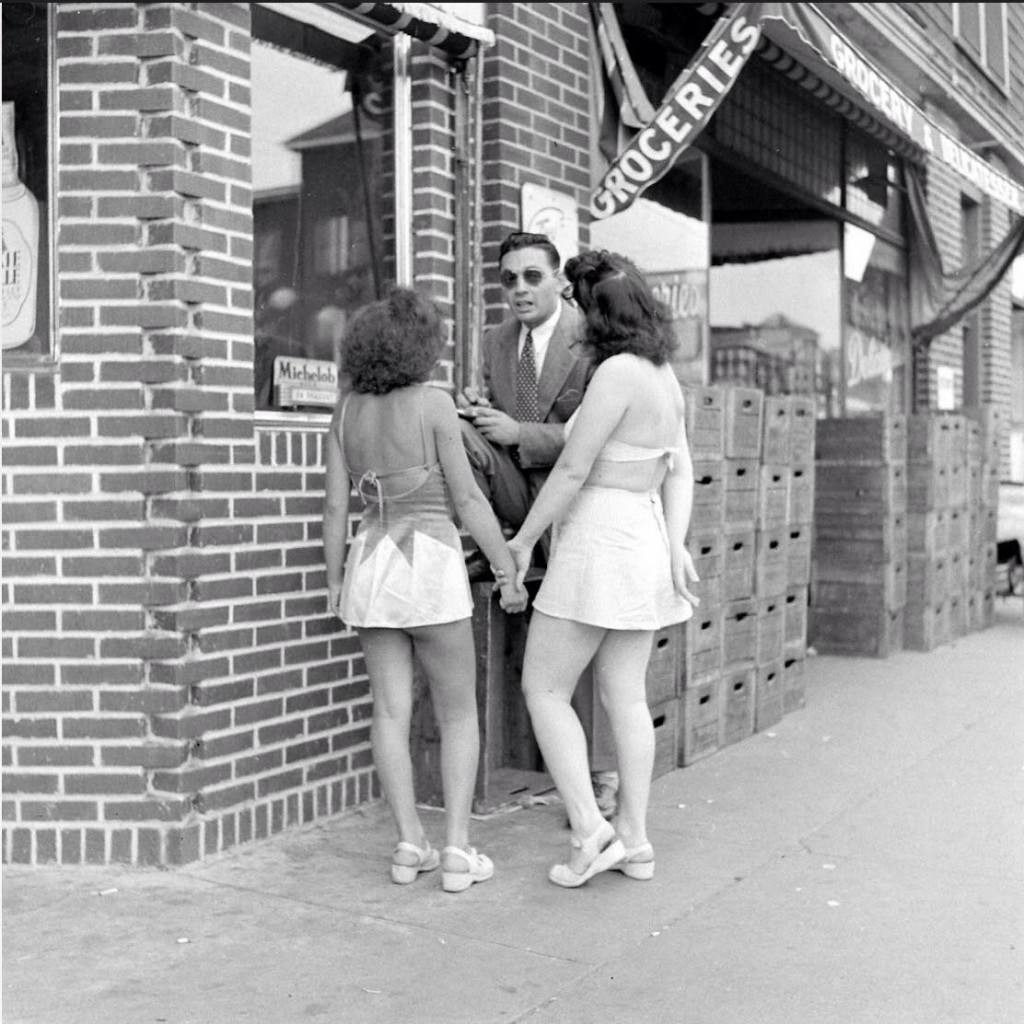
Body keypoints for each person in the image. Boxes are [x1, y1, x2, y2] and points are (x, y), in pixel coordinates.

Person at [323, 287, 528, 893]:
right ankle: (459, 849)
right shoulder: (434, 405)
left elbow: (336, 507)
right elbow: (467, 499)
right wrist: (506, 567)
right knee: (458, 710)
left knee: (389, 710)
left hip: (371, 566)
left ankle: (409, 843)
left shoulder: (344, 411)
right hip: (432, 567)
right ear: (420, 347)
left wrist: (336, 580)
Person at [507, 250, 701, 888]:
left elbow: (572, 469)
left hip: (600, 538)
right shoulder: (663, 374)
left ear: (594, 314)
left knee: (545, 687)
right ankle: (635, 840)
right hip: (642, 537)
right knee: (627, 697)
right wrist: (674, 546)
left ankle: (591, 833)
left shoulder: (615, 372)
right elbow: (680, 469)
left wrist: (525, 539)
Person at [457, 230, 619, 819]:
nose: (519, 289)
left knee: (584, 634)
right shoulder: (495, 341)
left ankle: (601, 774)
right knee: (456, 433)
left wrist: (518, 434)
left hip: (571, 502)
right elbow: (488, 430)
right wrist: (477, 415)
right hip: (513, 496)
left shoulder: (592, 341)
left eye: (532, 277)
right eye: (508, 280)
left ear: (558, 282)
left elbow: (597, 442)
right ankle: (494, 548)